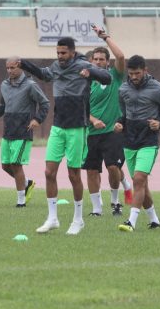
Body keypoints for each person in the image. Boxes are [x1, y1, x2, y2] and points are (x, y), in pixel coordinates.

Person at [19, 37, 111, 235]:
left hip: (77, 127)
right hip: (58, 127)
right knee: (49, 173)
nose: (59, 56)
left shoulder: (84, 65)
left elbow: (107, 78)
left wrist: (91, 72)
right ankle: (52, 218)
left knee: (73, 175)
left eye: (63, 53)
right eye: (58, 52)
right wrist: (24, 63)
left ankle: (78, 220)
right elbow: (44, 75)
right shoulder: (55, 66)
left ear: (72, 52)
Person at [115, 55, 160, 232]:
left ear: (145, 70)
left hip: (149, 140)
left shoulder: (159, 89)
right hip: (129, 140)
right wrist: (120, 123)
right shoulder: (123, 89)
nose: (133, 77)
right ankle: (154, 220)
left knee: (139, 179)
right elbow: (123, 114)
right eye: (131, 73)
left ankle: (131, 222)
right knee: (141, 184)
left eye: (137, 73)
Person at [0, 56, 50, 207]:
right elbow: (3, 106)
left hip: (23, 131)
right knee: (5, 166)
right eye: (7, 68)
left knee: (16, 164)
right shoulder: (4, 85)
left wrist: (37, 119)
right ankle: (27, 183)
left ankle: (21, 201)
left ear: (20, 67)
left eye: (13, 68)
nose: (9, 71)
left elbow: (45, 103)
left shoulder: (30, 85)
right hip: (8, 131)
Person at [83, 25, 133, 217]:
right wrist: (93, 120)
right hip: (91, 133)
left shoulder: (115, 76)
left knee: (113, 167)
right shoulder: (85, 81)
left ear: (107, 62)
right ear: (90, 61)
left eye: (101, 59)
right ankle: (96, 208)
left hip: (113, 131)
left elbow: (121, 57)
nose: (98, 62)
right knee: (91, 171)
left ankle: (115, 201)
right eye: (95, 59)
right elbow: (81, 108)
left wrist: (105, 37)